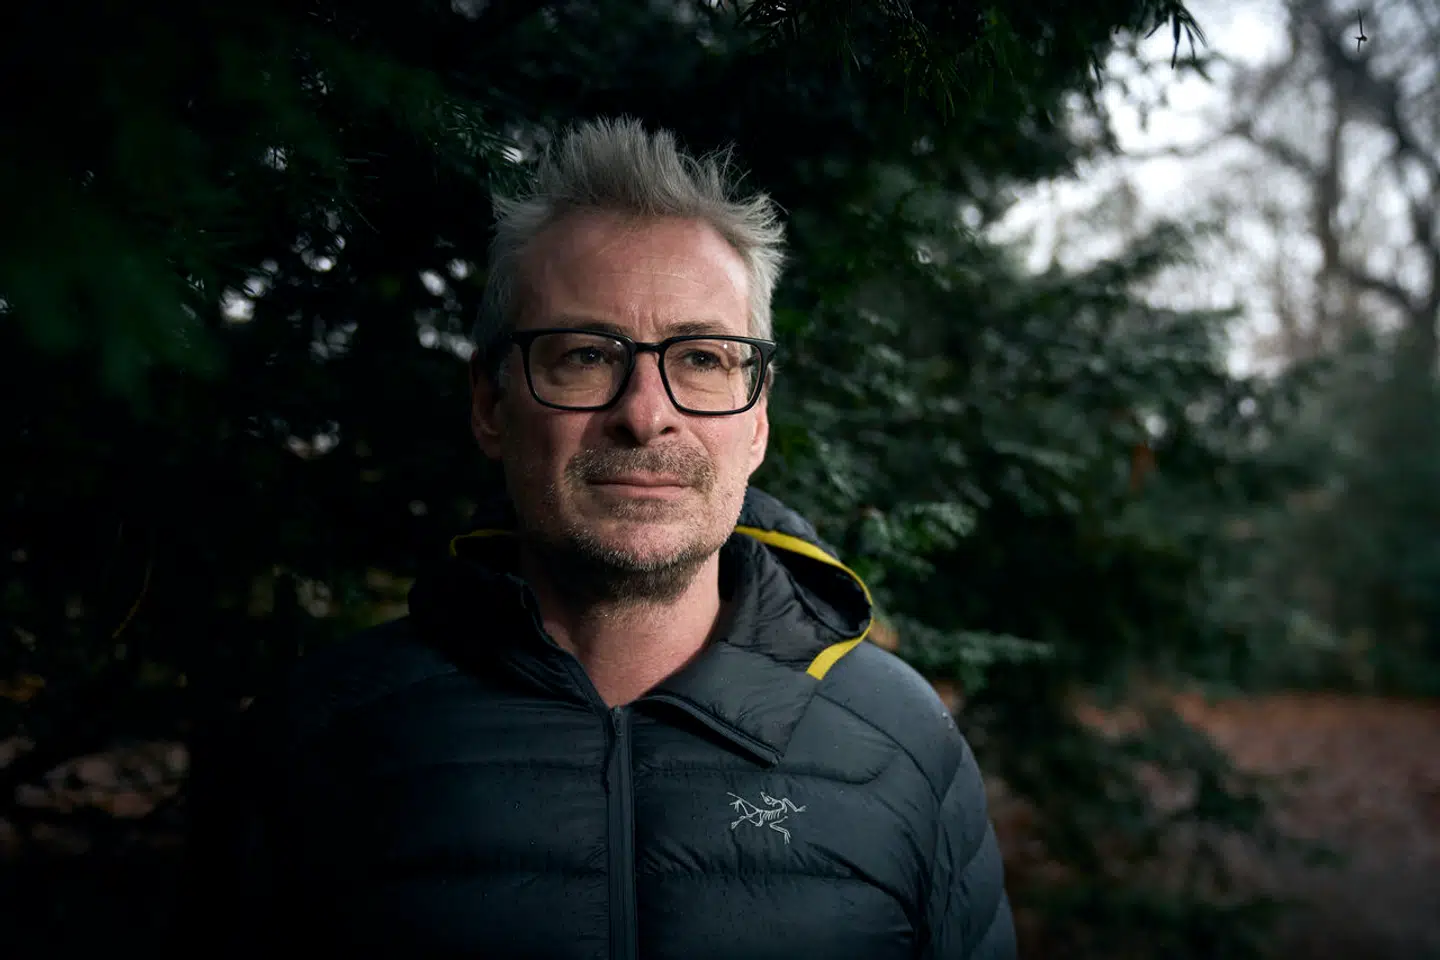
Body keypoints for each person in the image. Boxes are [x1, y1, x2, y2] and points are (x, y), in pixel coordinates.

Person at [180, 117, 1017, 960]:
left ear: (758, 419)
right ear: (490, 404)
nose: (645, 415)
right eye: (585, 354)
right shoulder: (315, 739)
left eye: (702, 358)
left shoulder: (906, 745)